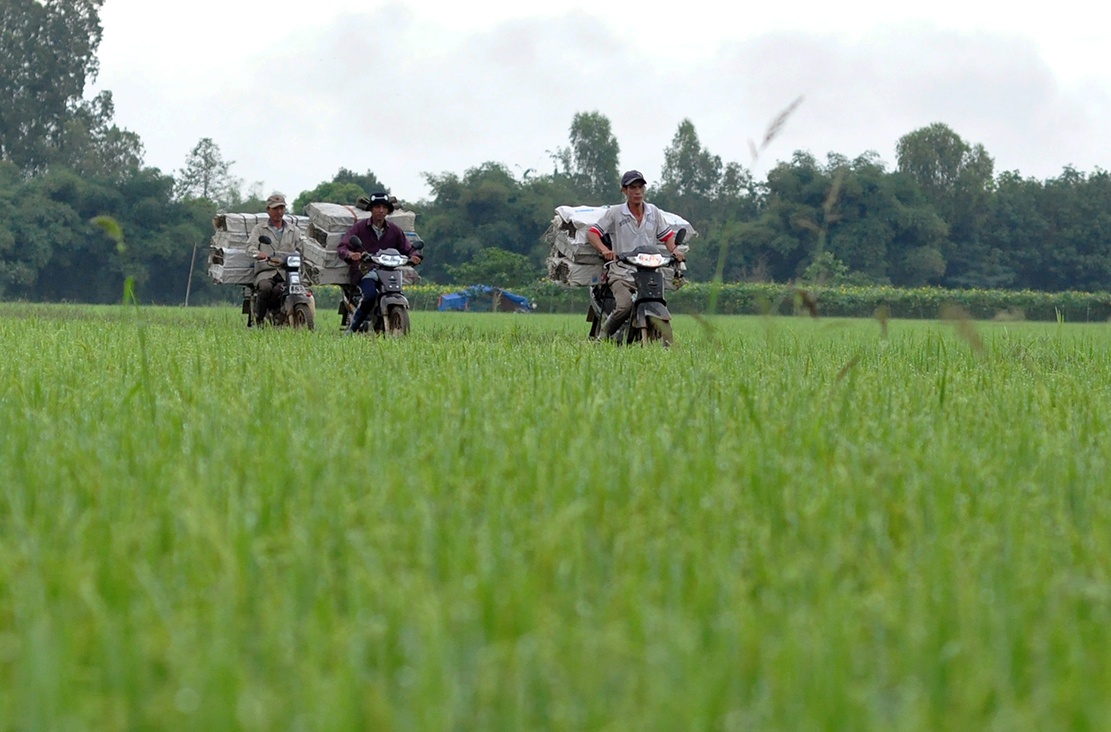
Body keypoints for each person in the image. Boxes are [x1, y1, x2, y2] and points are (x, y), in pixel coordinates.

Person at [585, 170, 685, 339]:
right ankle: (602, 337)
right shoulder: (615, 213)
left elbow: (667, 237)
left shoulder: (653, 212)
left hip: (649, 272)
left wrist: (675, 251)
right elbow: (592, 233)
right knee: (624, 306)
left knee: (659, 301)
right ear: (624, 190)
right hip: (621, 272)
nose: (637, 191)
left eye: (640, 187)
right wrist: (605, 250)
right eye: (632, 187)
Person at [338, 191, 422, 334]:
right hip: (365, 271)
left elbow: (407, 248)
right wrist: (351, 254)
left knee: (396, 290)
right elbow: (343, 246)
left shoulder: (395, 231)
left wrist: (414, 256)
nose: (381, 210)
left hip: (389, 271)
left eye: (384, 207)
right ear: (371, 209)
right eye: (377, 207)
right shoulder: (359, 228)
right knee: (370, 295)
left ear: (388, 210)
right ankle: (352, 329)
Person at [246, 193, 308, 324]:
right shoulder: (259, 229)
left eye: (281, 208)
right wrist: (258, 254)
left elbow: (302, 248)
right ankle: (259, 318)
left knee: (288, 289)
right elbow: (250, 247)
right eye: (275, 208)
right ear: (268, 209)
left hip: (287, 272)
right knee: (265, 288)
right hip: (266, 270)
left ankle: (282, 314)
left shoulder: (294, 230)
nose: (279, 212)